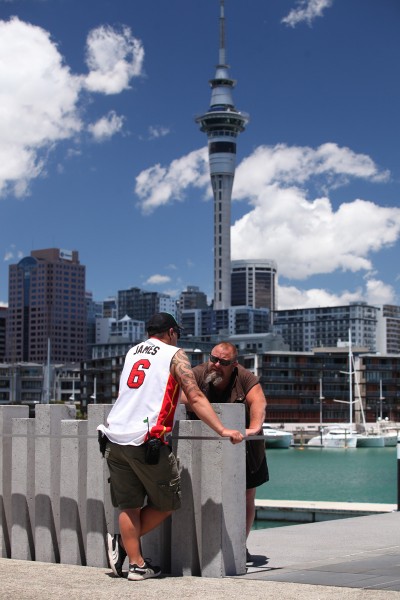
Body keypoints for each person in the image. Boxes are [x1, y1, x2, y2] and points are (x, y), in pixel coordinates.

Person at [97, 313, 243, 581]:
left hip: (114, 435)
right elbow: (196, 395)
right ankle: (125, 545)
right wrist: (222, 429)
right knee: (166, 503)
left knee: (128, 506)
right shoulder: (175, 354)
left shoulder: (132, 352)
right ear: (172, 332)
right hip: (147, 440)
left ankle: (137, 564)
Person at [182, 342, 268, 558]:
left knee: (247, 494)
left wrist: (255, 427)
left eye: (223, 362)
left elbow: (258, 401)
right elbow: (182, 397)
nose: (216, 364)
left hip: (244, 443)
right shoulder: (198, 374)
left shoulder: (245, 377)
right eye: (214, 359)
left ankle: (241, 543)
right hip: (206, 444)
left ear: (234, 364)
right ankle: (204, 545)